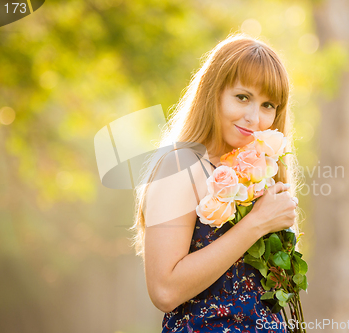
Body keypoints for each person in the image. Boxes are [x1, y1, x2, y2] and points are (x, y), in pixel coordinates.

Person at [131, 32, 301, 332]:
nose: (254, 117)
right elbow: (164, 291)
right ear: (213, 93)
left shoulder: (264, 174)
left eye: (268, 105)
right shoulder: (180, 166)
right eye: (242, 97)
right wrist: (257, 224)